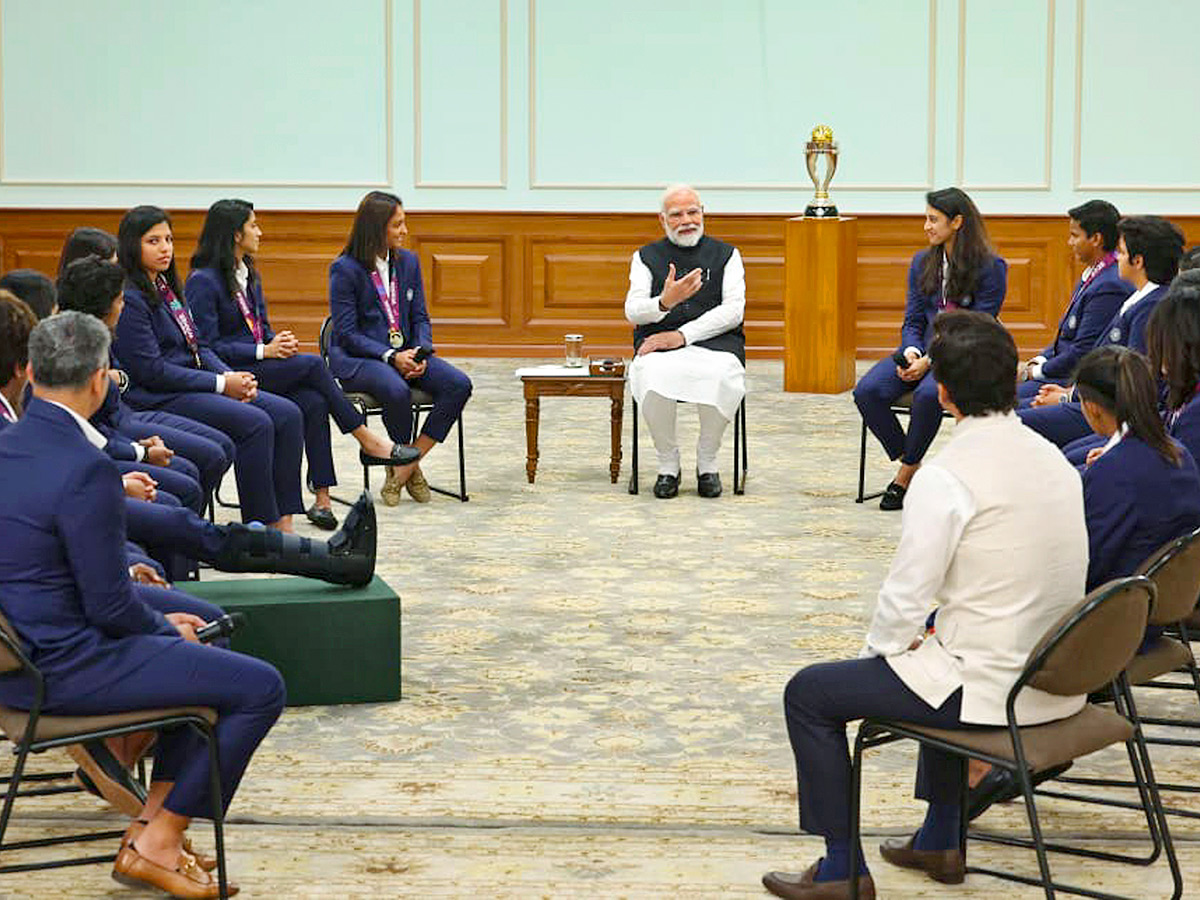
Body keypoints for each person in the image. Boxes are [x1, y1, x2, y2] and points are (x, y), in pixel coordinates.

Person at [764, 311, 1087, 900]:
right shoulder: (1054, 458)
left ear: (942, 394)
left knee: (811, 694)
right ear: (1010, 378)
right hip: (1058, 675)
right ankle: (941, 836)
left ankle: (840, 870)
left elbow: (905, 596)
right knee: (935, 649)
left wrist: (876, 662)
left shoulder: (946, 475)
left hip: (994, 687)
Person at [0, 311, 285, 897]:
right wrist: (160, 630)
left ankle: (153, 830)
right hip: (60, 670)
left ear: (29, 373)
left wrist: (162, 624)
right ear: (101, 379)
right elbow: (108, 607)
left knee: (204, 640)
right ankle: (158, 840)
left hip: (19, 656)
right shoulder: (88, 469)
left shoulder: (8, 447)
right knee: (260, 688)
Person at [187, 199, 415, 529]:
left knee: (313, 399)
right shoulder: (204, 281)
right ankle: (365, 437)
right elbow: (207, 346)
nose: (259, 232)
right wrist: (264, 351)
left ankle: (298, 510)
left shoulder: (248, 272)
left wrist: (277, 343)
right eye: (254, 226)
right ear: (236, 234)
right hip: (230, 372)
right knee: (312, 367)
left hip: (258, 365)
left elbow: (260, 328)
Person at [113, 205, 304, 531]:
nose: (165, 248)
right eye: (153, 241)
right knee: (257, 423)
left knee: (288, 413)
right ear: (132, 246)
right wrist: (218, 384)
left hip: (193, 380)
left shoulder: (166, 286)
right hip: (160, 395)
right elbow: (152, 372)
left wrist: (229, 376)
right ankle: (261, 525)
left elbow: (198, 344)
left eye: (169, 239)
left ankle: (283, 520)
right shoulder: (131, 298)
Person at [852, 188, 1007, 510]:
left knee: (927, 396)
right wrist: (911, 350)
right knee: (867, 391)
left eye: (933, 219)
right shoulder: (922, 262)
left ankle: (905, 476)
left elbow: (978, 324)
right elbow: (912, 318)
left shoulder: (991, 267)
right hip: (922, 351)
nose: (926, 226)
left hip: (966, 354)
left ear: (958, 222)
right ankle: (912, 461)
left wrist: (931, 361)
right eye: (926, 218)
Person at [328, 191, 472, 505]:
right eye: (397, 224)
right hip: (360, 359)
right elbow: (347, 333)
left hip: (405, 353)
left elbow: (420, 316)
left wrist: (421, 352)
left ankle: (406, 465)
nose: (404, 231)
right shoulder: (345, 269)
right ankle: (406, 462)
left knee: (459, 384)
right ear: (377, 228)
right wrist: (392, 356)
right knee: (396, 390)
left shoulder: (408, 261)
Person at [1018, 215, 1184, 449]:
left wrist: (1070, 397)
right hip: (1094, 398)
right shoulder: (1140, 298)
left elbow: (1133, 379)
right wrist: (1071, 392)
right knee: (1012, 413)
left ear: (1138, 261)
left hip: (1117, 411)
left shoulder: (1151, 308)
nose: (1117, 259)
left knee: (1016, 422)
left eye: (1122, 253)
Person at [624, 184, 745, 499]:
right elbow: (633, 310)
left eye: (693, 212)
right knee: (651, 375)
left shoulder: (728, 255)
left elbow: (733, 312)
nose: (687, 220)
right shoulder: (645, 257)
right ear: (662, 219)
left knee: (720, 376)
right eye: (676, 214)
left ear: (703, 213)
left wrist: (681, 336)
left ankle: (708, 462)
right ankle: (668, 464)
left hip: (716, 343)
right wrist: (664, 302)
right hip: (656, 344)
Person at [1017, 200, 1130, 399]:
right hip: (1059, 370)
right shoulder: (1093, 274)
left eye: (1074, 236)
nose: (1070, 243)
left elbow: (1082, 351)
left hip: (1072, 380)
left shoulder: (1110, 285)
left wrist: (1033, 372)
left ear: (1095, 239)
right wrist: (1039, 359)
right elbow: (1064, 339)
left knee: (1000, 404)